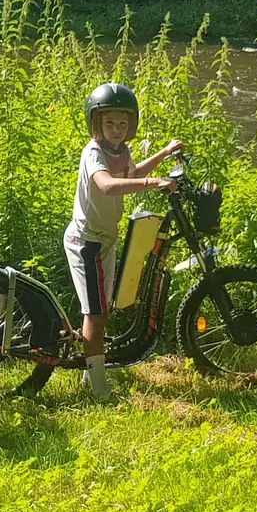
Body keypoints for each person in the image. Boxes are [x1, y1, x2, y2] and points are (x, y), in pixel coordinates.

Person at [65, 83, 181, 400]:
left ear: (130, 126)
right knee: (96, 314)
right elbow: (108, 186)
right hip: (86, 242)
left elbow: (132, 173)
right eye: (109, 123)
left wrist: (163, 154)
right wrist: (153, 183)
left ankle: (91, 375)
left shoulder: (121, 151)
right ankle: (100, 390)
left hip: (105, 240)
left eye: (122, 124)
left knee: (100, 310)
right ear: (96, 124)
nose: (116, 130)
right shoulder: (93, 153)